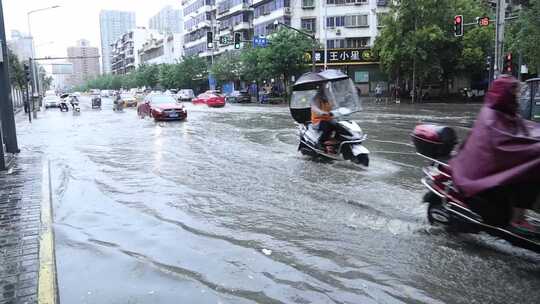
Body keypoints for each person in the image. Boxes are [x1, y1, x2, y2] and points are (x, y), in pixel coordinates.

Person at [450, 75, 540, 235]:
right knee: (529, 168)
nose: (517, 95)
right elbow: (507, 146)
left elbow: (527, 131)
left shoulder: (507, 113)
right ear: (503, 93)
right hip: (479, 178)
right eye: (513, 91)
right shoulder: (491, 118)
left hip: (490, 171)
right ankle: (517, 219)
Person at [311, 85, 337, 153]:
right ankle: (320, 142)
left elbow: (335, 106)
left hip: (328, 119)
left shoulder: (329, 98)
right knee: (326, 126)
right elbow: (315, 108)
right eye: (324, 88)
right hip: (318, 120)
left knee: (339, 126)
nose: (326, 89)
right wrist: (323, 113)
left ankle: (335, 142)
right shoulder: (316, 99)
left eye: (326, 88)